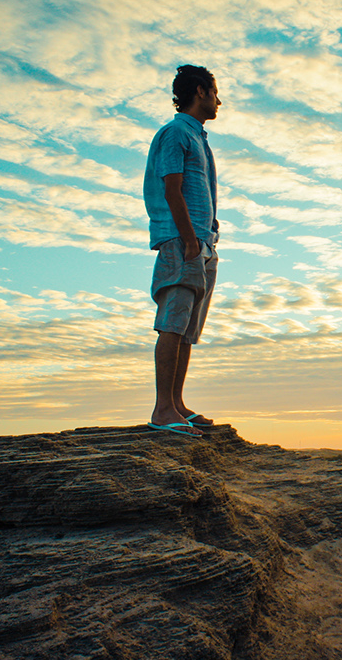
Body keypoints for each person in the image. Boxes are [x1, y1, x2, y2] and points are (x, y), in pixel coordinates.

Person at [143, 65, 222, 436]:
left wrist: (208, 236)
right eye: (214, 92)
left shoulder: (197, 137)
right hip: (182, 242)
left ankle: (177, 405)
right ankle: (162, 410)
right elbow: (171, 187)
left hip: (202, 243)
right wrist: (189, 238)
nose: (219, 100)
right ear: (200, 91)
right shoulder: (175, 132)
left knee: (188, 328)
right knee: (173, 322)